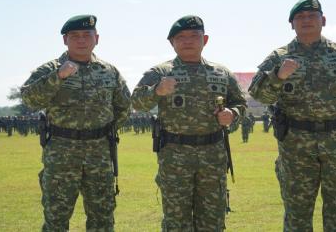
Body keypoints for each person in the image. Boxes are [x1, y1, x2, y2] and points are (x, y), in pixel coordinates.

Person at [249, 0, 336, 231]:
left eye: (312, 16)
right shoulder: (278, 57)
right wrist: (278, 76)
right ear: (291, 24)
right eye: (300, 17)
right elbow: (259, 95)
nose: (306, 21)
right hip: (296, 146)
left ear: (323, 20)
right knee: (297, 214)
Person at [131, 15, 247, 231]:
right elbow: (136, 100)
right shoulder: (160, 73)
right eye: (181, 37)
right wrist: (157, 90)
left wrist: (232, 114)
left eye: (194, 36)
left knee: (212, 221)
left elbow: (240, 104)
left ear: (205, 39)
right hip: (175, 156)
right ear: (171, 42)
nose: (188, 41)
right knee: (176, 221)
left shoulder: (221, 74)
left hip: (212, 154)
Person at [21, 14, 130, 231]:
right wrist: (57, 77)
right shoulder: (49, 69)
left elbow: (124, 106)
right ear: (65, 40)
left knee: (103, 217)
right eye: (74, 36)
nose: (81, 40)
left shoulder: (109, 71)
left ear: (96, 38)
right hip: (61, 153)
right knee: (56, 218)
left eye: (86, 35)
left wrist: (104, 129)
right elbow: (29, 100)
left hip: (99, 153)